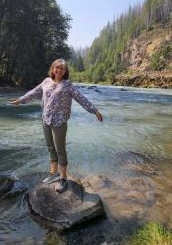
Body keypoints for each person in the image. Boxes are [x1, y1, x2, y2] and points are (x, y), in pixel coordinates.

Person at [10, 59, 103, 193]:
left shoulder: (68, 85)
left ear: (65, 72)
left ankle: (63, 178)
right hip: (46, 120)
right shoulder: (46, 82)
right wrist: (20, 100)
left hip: (59, 122)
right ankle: (53, 174)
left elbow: (81, 98)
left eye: (62, 69)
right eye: (56, 68)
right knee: (50, 148)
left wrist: (94, 110)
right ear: (53, 69)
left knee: (60, 150)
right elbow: (33, 92)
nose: (59, 70)